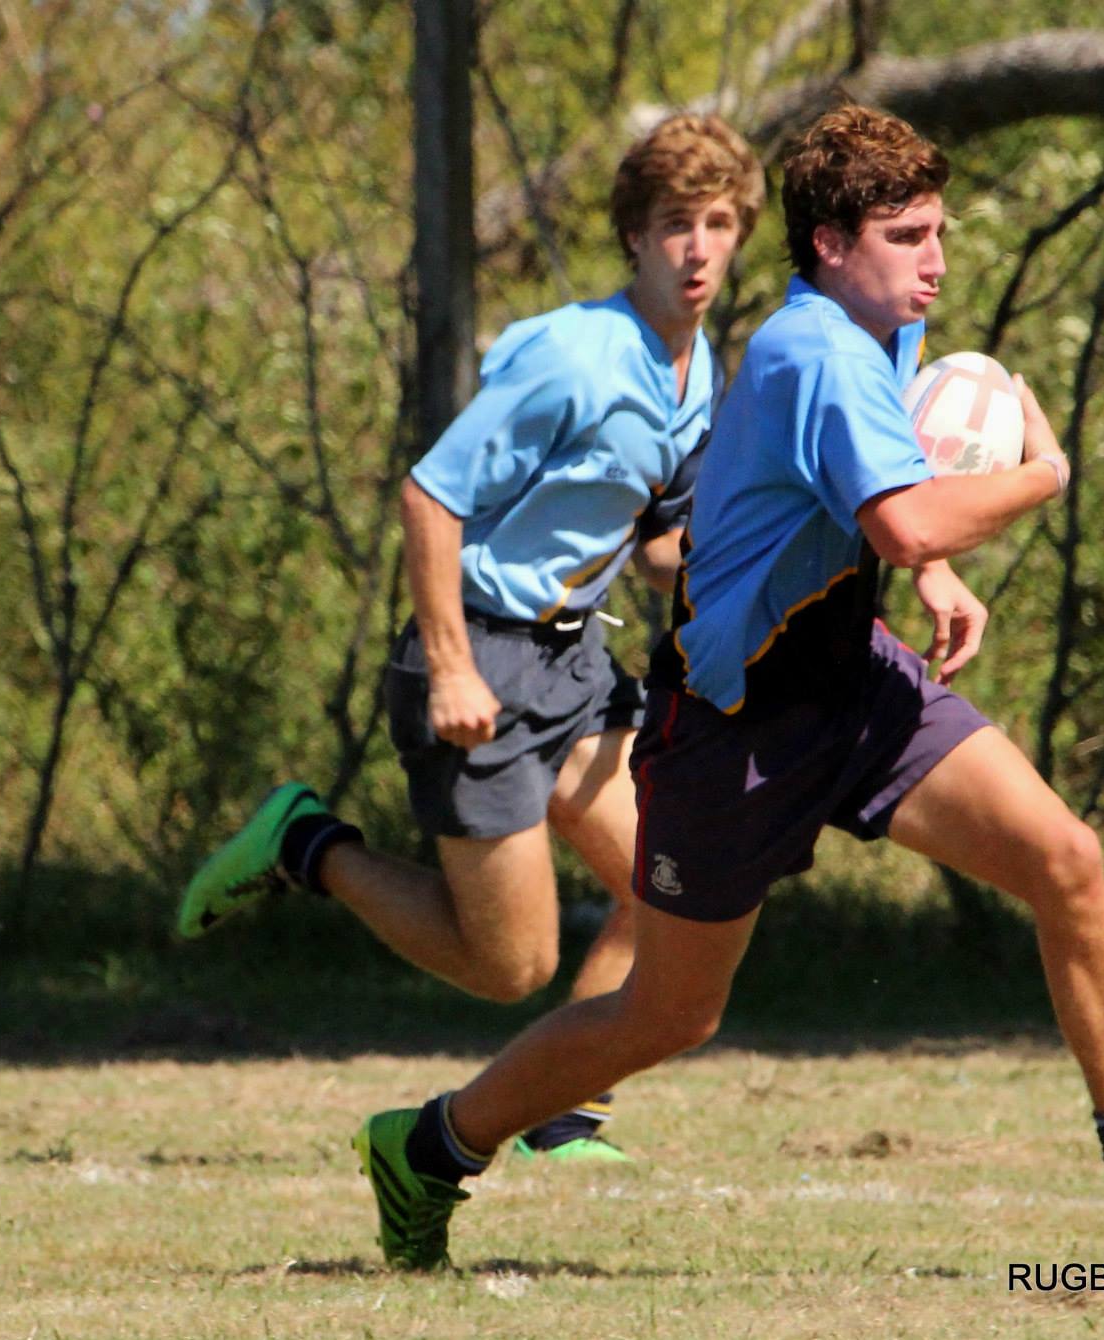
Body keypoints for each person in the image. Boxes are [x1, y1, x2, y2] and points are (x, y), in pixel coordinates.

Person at [350, 104, 1104, 1270]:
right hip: (732, 729)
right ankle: (429, 1148)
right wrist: (1040, 473)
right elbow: (896, 517)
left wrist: (935, 573)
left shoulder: (879, 326)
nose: (935, 261)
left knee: (1065, 858)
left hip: (851, 680)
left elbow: (875, 504)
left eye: (938, 231)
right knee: (669, 1015)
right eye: (908, 236)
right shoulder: (813, 350)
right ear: (831, 244)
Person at [176, 114, 765, 1165]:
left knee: (677, 875)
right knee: (510, 965)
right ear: (633, 234)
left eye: (718, 223)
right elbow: (429, 496)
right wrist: (449, 664)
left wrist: (767, 564)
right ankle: (305, 844)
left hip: (575, 662)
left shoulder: (698, 365)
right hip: (482, 656)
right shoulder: (577, 358)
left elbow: (658, 544)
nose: (697, 246)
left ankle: (559, 1113)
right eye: (676, 221)